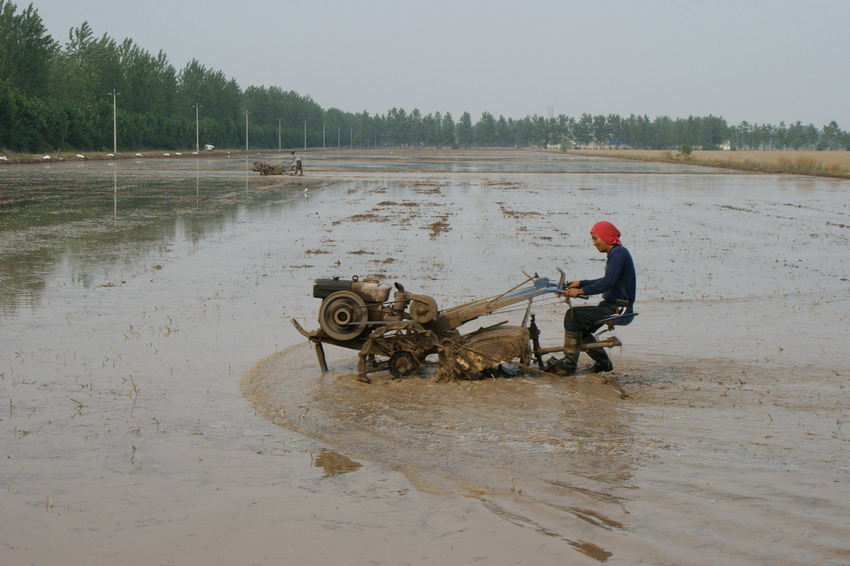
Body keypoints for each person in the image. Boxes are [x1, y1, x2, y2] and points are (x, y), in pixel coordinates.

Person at [554, 220, 636, 375]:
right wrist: (581, 283)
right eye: (593, 239)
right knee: (580, 328)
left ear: (606, 236)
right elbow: (607, 279)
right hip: (612, 305)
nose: (594, 242)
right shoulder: (616, 253)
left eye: (596, 238)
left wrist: (582, 290)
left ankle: (568, 364)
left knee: (573, 316)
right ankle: (603, 363)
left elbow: (608, 282)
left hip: (619, 308)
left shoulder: (618, 253)